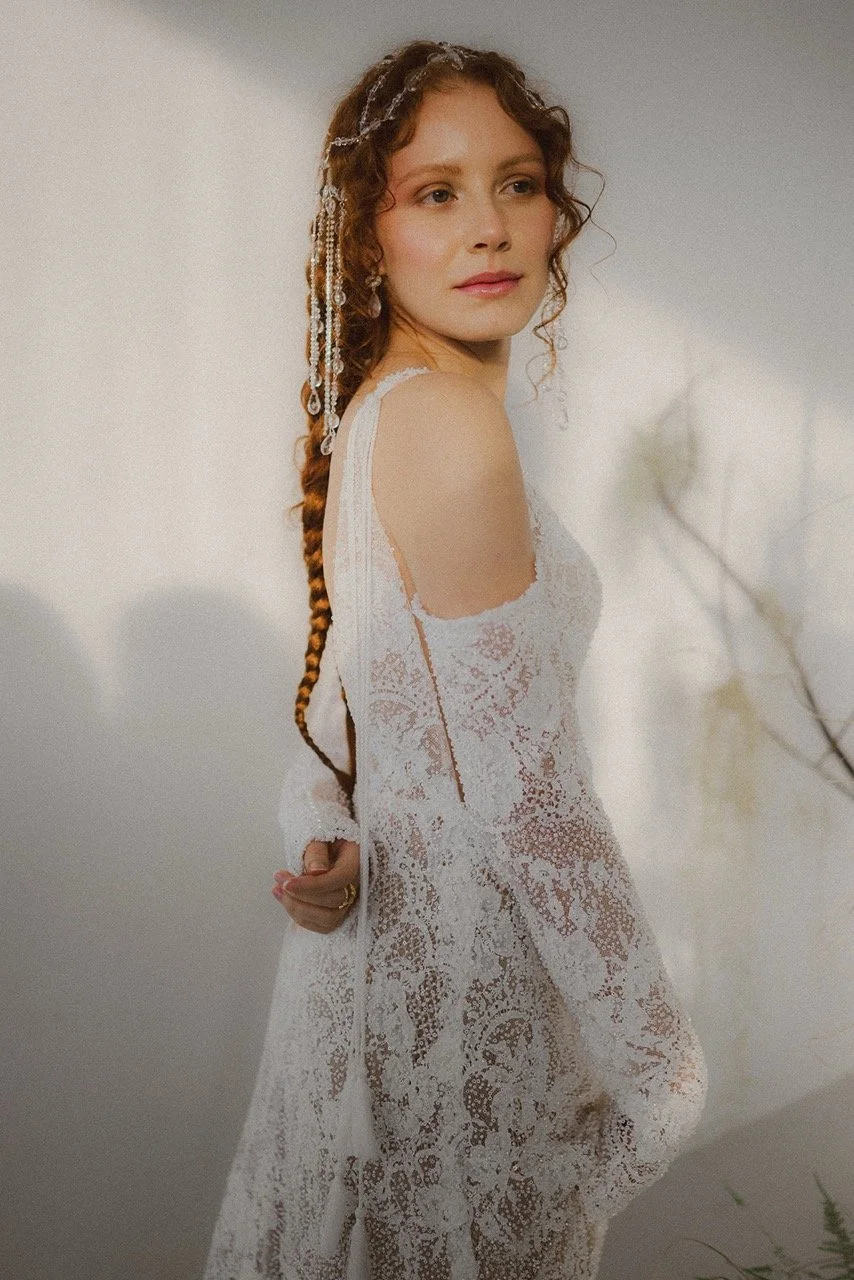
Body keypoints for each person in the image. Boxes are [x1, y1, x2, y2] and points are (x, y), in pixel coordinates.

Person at [203, 39, 707, 1280]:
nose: (489, 226)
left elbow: (341, 693)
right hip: (447, 1028)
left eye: (518, 182)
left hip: (385, 1002)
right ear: (368, 237)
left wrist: (324, 828)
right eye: (436, 192)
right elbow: (528, 793)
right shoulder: (443, 419)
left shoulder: (385, 405)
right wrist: (660, 1063)